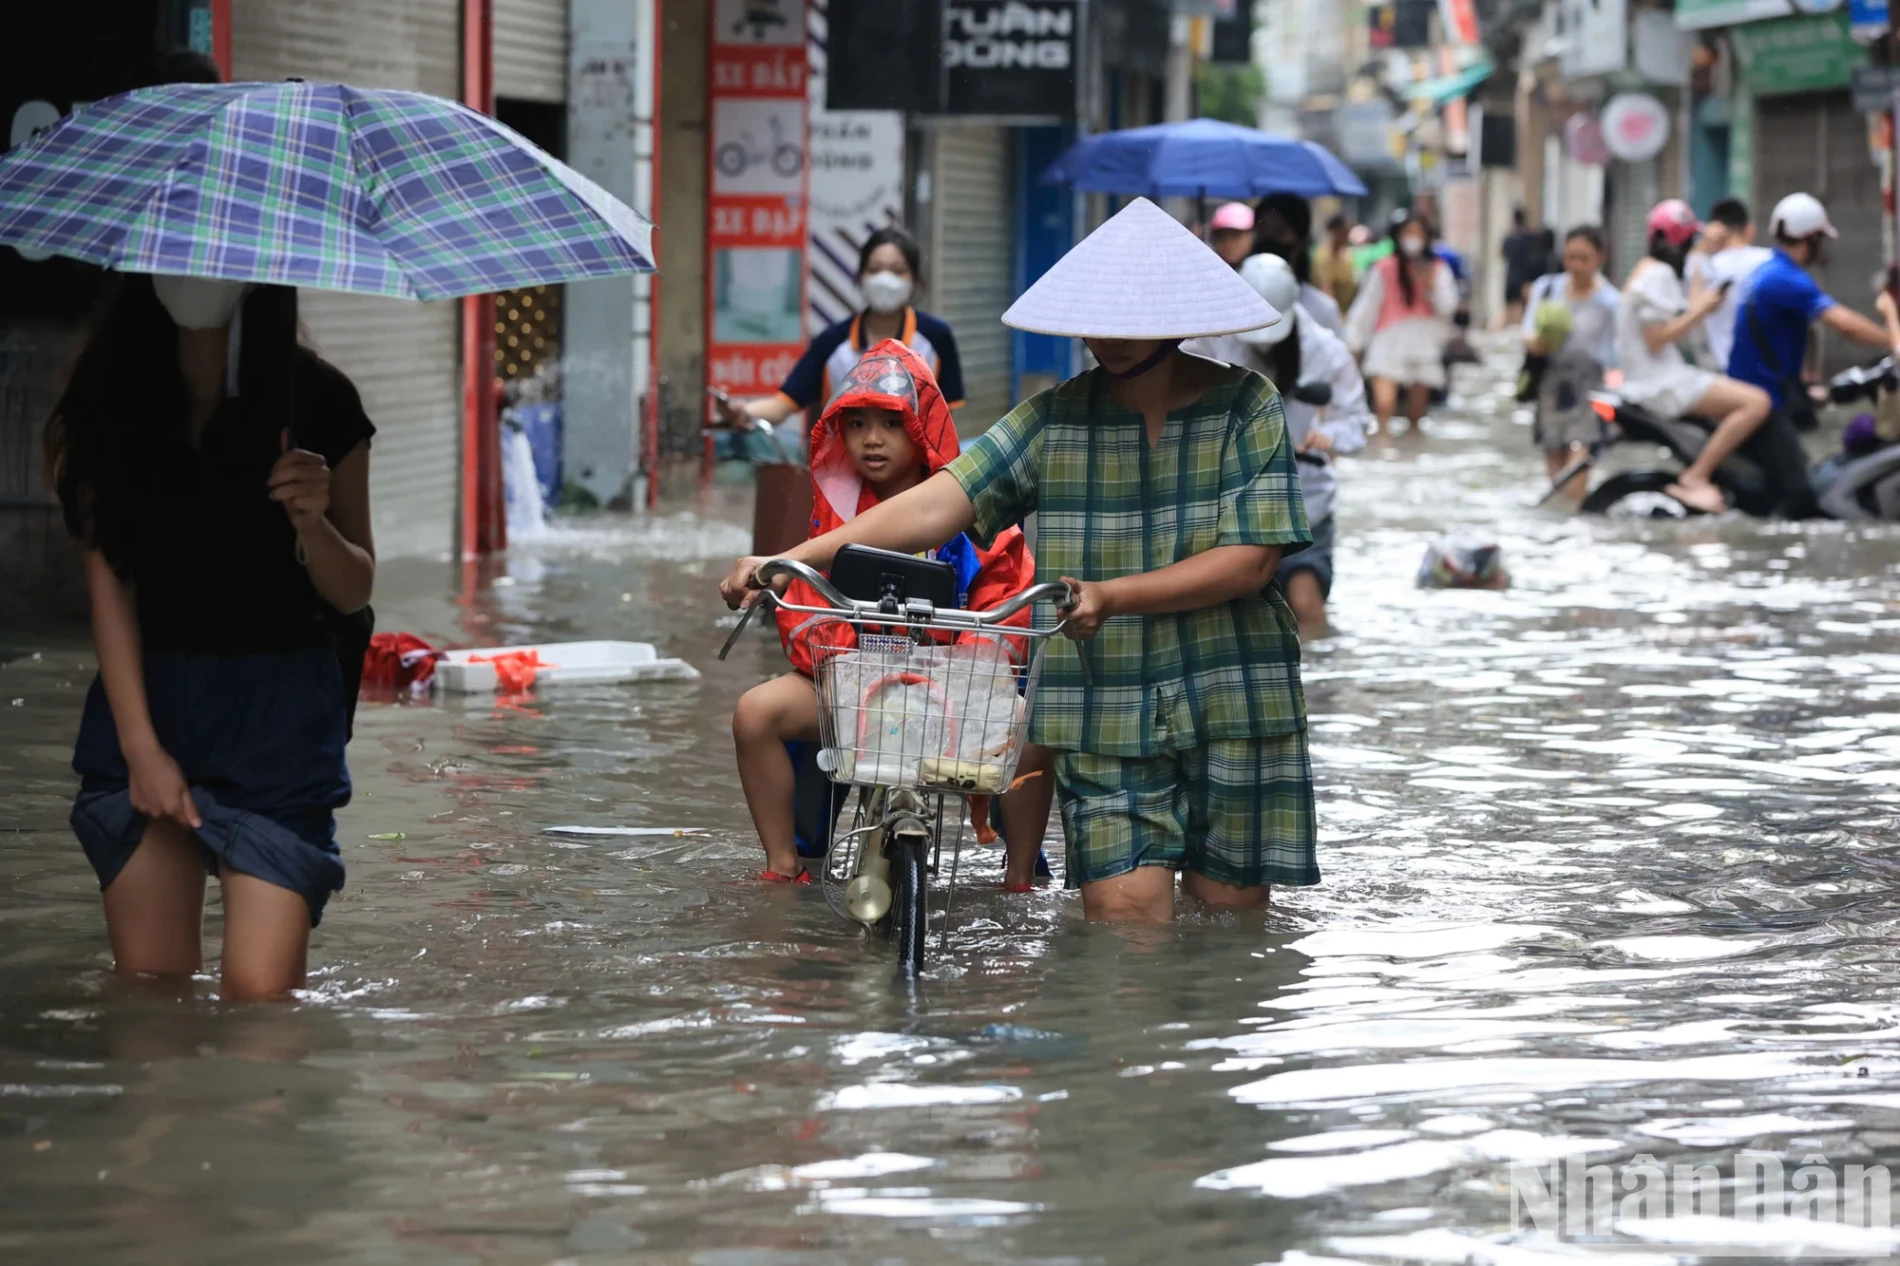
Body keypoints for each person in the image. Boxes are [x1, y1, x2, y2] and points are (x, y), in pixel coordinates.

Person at [721, 198, 1318, 923]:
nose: (1112, 337)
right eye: (1098, 318)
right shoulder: (1053, 416)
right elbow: (938, 502)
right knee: (1125, 927)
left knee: (1227, 923)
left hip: (1233, 695)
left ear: (1177, 315)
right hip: (1103, 705)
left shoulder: (1247, 406)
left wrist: (1113, 596)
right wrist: (784, 558)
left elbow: (1252, 563)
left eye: (1132, 318)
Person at [48, 275, 376, 1000]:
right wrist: (140, 750)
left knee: (261, 1001)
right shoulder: (112, 397)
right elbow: (111, 588)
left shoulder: (318, 400)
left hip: (280, 718)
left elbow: (355, 587)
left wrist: (311, 521)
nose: (200, 275)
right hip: (149, 705)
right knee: (151, 995)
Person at [729, 340, 1047, 887]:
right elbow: (806, 613)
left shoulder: (975, 513)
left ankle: (1019, 876)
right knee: (753, 714)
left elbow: (1008, 606)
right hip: (856, 689)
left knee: (1035, 732)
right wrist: (846, 665)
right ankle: (783, 868)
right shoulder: (834, 516)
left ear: (921, 426)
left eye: (890, 424)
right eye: (856, 425)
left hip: (956, 694)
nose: (871, 440)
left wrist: (959, 673)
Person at [1185, 253, 1370, 638]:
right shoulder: (1210, 340)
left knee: (1306, 607)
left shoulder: (1326, 351)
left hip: (1305, 503)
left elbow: (1357, 421)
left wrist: (1329, 435)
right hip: (1227, 504)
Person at [714, 227, 964, 458]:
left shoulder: (936, 337)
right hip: (845, 475)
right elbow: (782, 405)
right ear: (860, 276)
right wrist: (742, 412)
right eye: (875, 269)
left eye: (897, 271)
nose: (885, 280)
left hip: (915, 477)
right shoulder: (832, 342)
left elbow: (946, 421)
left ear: (914, 280)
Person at [1614, 199, 1771, 514]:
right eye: (1689, 240)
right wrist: (1703, 309)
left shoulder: (1650, 270)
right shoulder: (1657, 275)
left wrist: (1702, 264)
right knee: (1757, 403)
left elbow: (1682, 306)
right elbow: (1658, 338)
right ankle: (1697, 475)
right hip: (1662, 384)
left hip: (1656, 378)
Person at [1521, 226, 1619, 501]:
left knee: (1581, 452)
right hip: (1551, 381)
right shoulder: (1547, 288)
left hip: (1592, 386)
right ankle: (1561, 516)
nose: (1575, 265)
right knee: (1553, 452)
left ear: (1600, 257)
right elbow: (1527, 330)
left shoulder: (1611, 302)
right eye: (1570, 257)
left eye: (1583, 258)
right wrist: (1537, 342)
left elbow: (1616, 355)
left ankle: (1574, 510)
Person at [1344, 208, 1459, 436]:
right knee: (1384, 408)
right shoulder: (1384, 267)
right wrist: (1354, 345)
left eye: (1418, 232)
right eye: (1408, 232)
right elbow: (1366, 308)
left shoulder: (1437, 269)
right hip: (1388, 340)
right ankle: (1384, 452)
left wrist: (1429, 286)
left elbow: (1448, 307)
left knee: (1417, 416)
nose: (1413, 238)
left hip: (1423, 341)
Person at [1688, 198, 1773, 373]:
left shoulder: (1706, 267)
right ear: (1750, 229)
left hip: (1724, 370)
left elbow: (1693, 313)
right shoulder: (1770, 260)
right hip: (1769, 369)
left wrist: (1703, 246)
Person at [1253, 192, 1346, 337]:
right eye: (1262, 231)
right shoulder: (1239, 305)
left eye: (1279, 232)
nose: (1269, 239)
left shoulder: (1321, 310)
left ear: (1301, 241)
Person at [1499, 207, 1543, 327]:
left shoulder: (1508, 237)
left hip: (1511, 277)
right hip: (1524, 278)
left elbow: (1502, 255)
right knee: (1524, 312)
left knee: (1509, 310)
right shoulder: (1529, 237)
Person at [1312, 213, 1360, 315]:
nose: (1347, 235)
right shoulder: (1323, 257)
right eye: (1345, 231)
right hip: (1330, 315)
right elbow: (1326, 291)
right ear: (1336, 232)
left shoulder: (1346, 255)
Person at [1208, 202, 1255, 268]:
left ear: (1250, 236)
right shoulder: (1205, 269)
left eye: (1235, 236)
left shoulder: (1264, 267)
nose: (1228, 244)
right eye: (1221, 237)